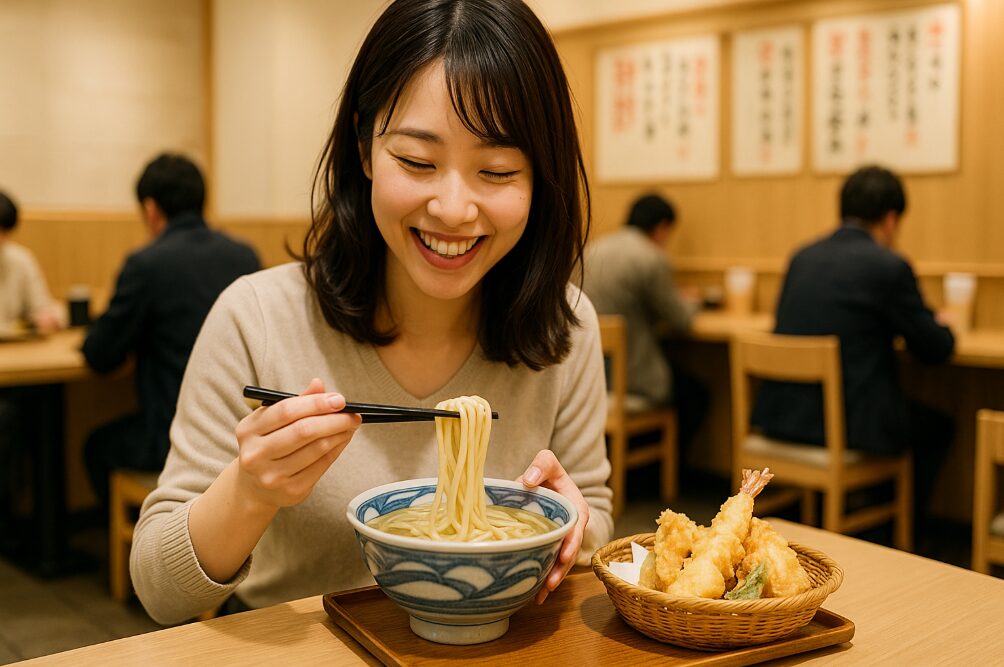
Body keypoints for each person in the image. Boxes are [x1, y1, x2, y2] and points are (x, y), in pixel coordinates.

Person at [131, 0, 613, 625]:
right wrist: (250, 492)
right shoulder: (257, 319)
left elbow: (594, 518)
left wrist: (574, 528)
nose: (453, 208)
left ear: (538, 178)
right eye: (417, 161)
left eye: (496, 170)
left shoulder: (566, 326)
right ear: (364, 148)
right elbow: (162, 594)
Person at [752, 164, 955, 538]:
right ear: (891, 219)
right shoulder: (888, 266)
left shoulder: (802, 257)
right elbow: (935, 348)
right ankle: (901, 532)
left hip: (782, 417)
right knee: (939, 426)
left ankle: (865, 507)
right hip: (842, 430)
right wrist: (943, 324)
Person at [82, 154, 260, 507]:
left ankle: (145, 538)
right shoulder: (244, 256)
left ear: (150, 209)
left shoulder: (147, 264)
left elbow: (100, 356)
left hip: (172, 437)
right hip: (241, 434)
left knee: (95, 447)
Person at [582, 194, 709, 456]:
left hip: (591, 373)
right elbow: (681, 320)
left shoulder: (593, 249)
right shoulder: (650, 256)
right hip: (632, 379)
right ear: (662, 227)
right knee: (696, 393)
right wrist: (696, 301)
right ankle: (666, 475)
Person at [0, 190, 65, 334]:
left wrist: (49, 317)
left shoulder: (21, 260)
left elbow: (41, 307)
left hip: (17, 349)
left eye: (4, 232)